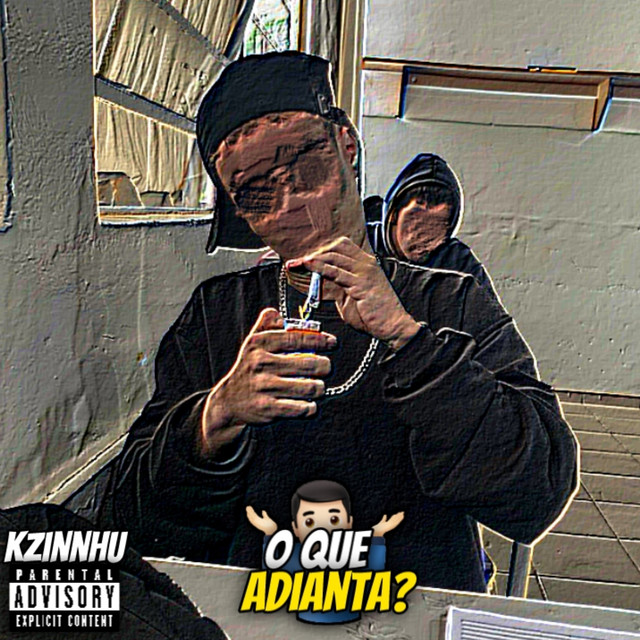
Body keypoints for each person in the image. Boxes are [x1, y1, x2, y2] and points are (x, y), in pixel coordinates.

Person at [105, 51, 578, 594]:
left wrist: (409, 341)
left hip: (414, 604)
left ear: (346, 145)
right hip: (256, 608)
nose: (291, 204)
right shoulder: (220, 315)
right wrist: (214, 417)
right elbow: (131, 521)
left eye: (306, 166)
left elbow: (537, 494)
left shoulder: (449, 299)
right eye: (256, 192)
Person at [246, 479, 403, 623]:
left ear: (349, 523)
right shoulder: (294, 555)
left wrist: (378, 536)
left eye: (334, 520)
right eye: (309, 522)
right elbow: (273, 578)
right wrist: (269, 534)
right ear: (296, 528)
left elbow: (373, 576)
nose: (322, 527)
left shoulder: (353, 553)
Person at [365, 153, 492, 291]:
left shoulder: (460, 264)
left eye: (438, 228)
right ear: (394, 215)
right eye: (417, 224)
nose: (425, 239)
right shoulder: (360, 242)